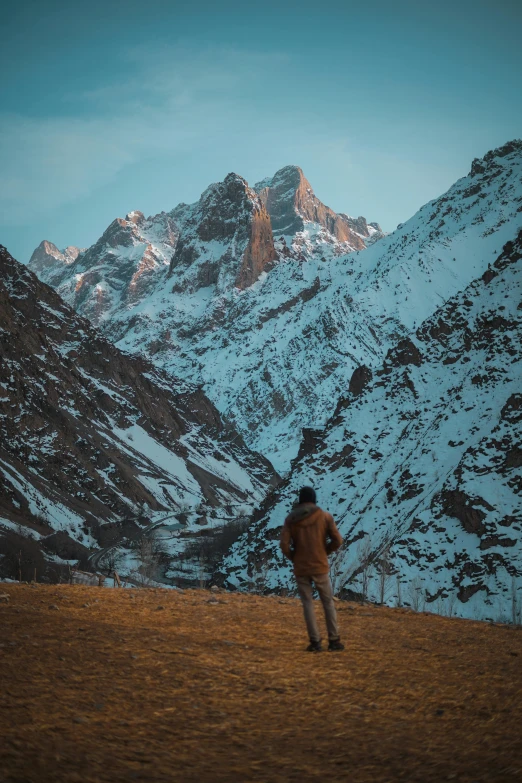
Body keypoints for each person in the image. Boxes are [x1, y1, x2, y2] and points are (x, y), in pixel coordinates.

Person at [280, 486, 344, 652]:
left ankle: (315, 642)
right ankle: (334, 640)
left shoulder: (290, 519)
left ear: (300, 500)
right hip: (320, 566)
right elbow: (338, 540)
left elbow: (284, 545)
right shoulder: (325, 517)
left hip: (301, 568)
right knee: (328, 602)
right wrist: (324, 552)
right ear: (314, 499)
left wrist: (295, 557)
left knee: (307, 603)